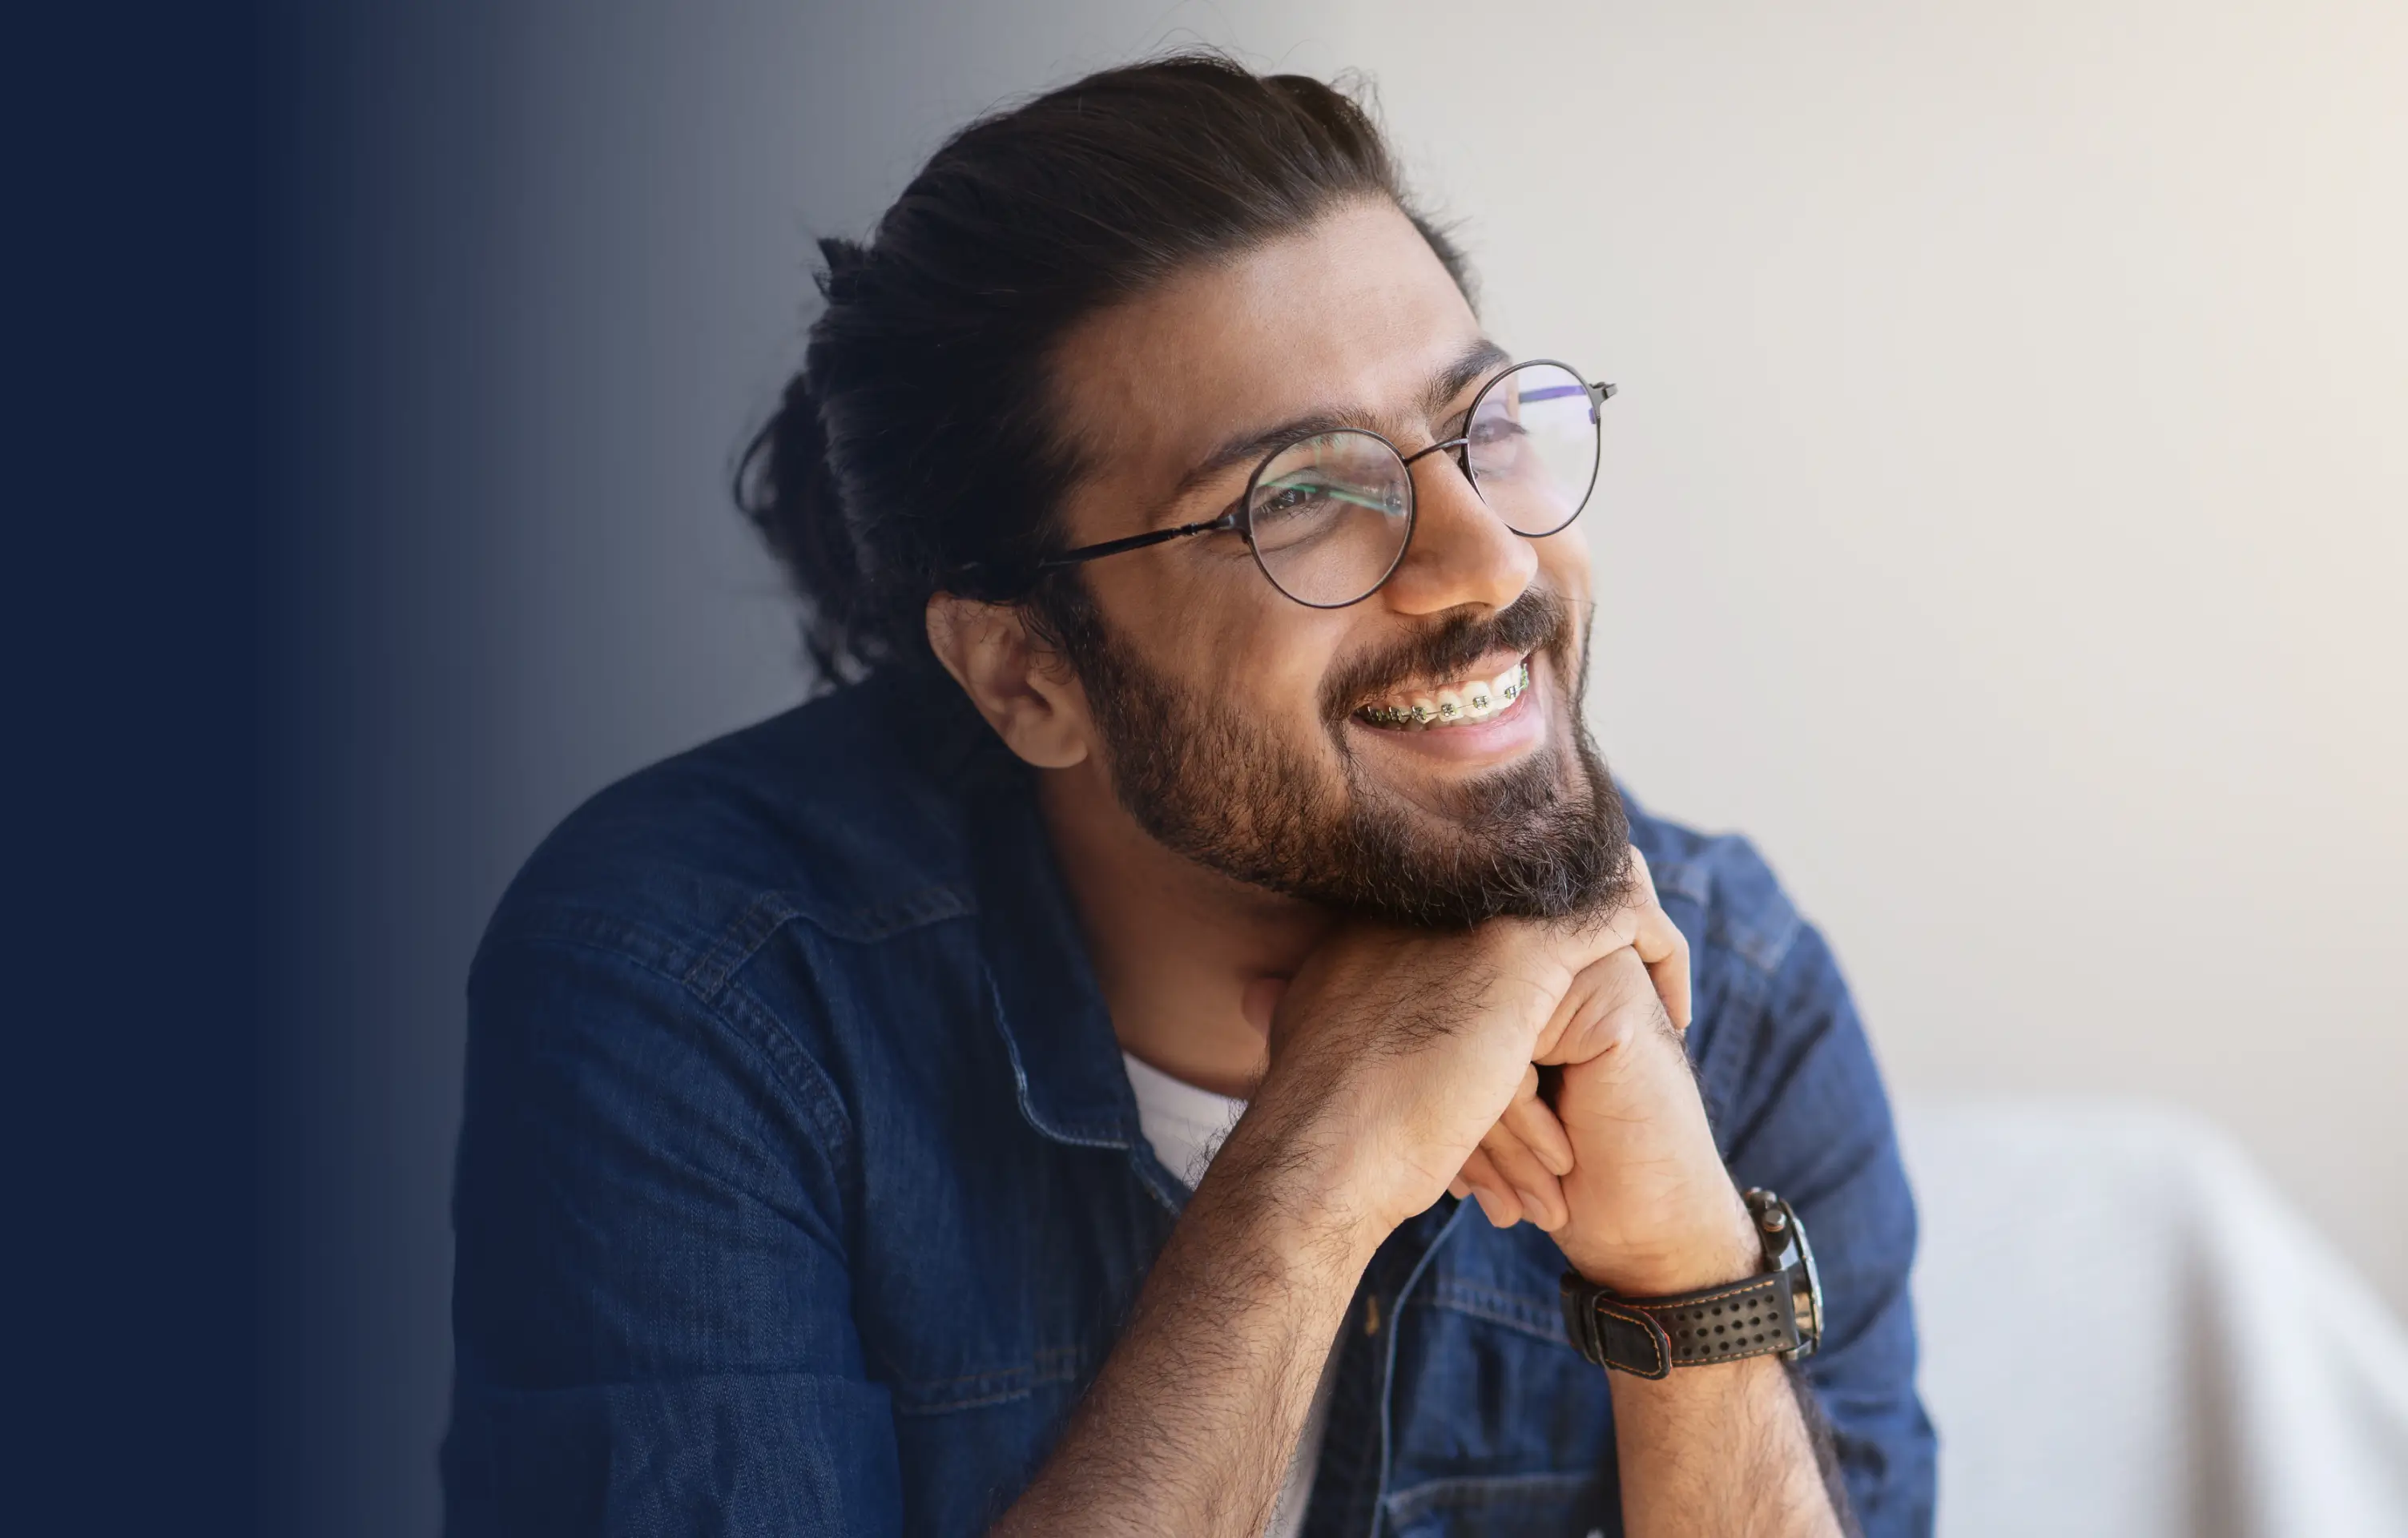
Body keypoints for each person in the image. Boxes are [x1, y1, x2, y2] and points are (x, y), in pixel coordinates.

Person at [443, 53, 1934, 1538]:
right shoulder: (699, 986)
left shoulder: (1729, 995)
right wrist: (1308, 1180)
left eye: (1481, 429)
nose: (1489, 562)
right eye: (1300, 497)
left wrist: (1687, 1281)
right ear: (1029, 674)